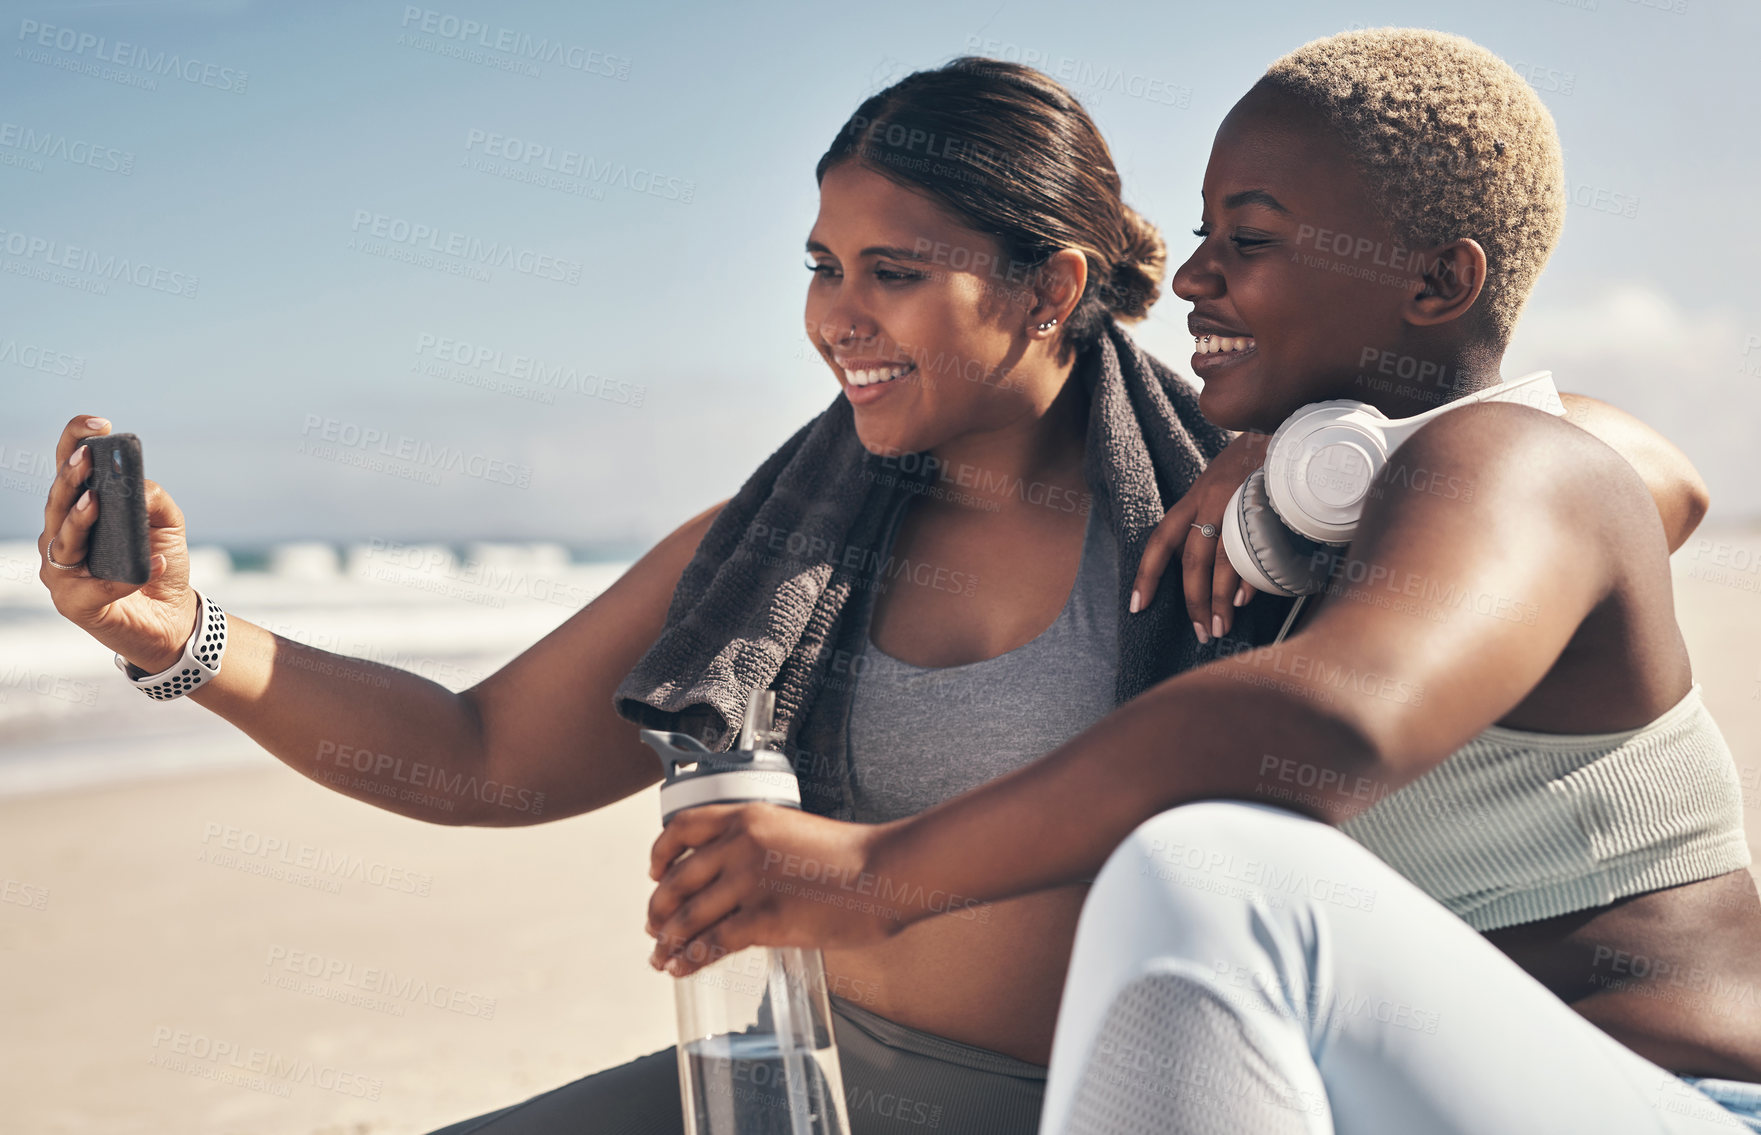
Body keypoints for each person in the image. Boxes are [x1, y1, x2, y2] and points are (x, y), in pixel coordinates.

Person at [36, 55, 1718, 1135]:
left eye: (893, 275)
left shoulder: (1258, 502)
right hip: (805, 1078)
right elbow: (479, 755)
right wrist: (179, 638)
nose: (837, 316)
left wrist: (1305, 462)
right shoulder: (774, 551)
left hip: (1109, 1088)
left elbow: (1615, 476)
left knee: (1221, 871)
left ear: (1052, 284)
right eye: (822, 270)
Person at [638, 35, 1761, 1135]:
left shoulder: (1521, 466)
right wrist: (1295, 462)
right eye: (1201, 233)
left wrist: (879, 873)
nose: (1188, 278)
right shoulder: (1306, 521)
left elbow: (1334, 717)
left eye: (1252, 240)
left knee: (1203, 869)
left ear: (1437, 279)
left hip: (1668, 1095)